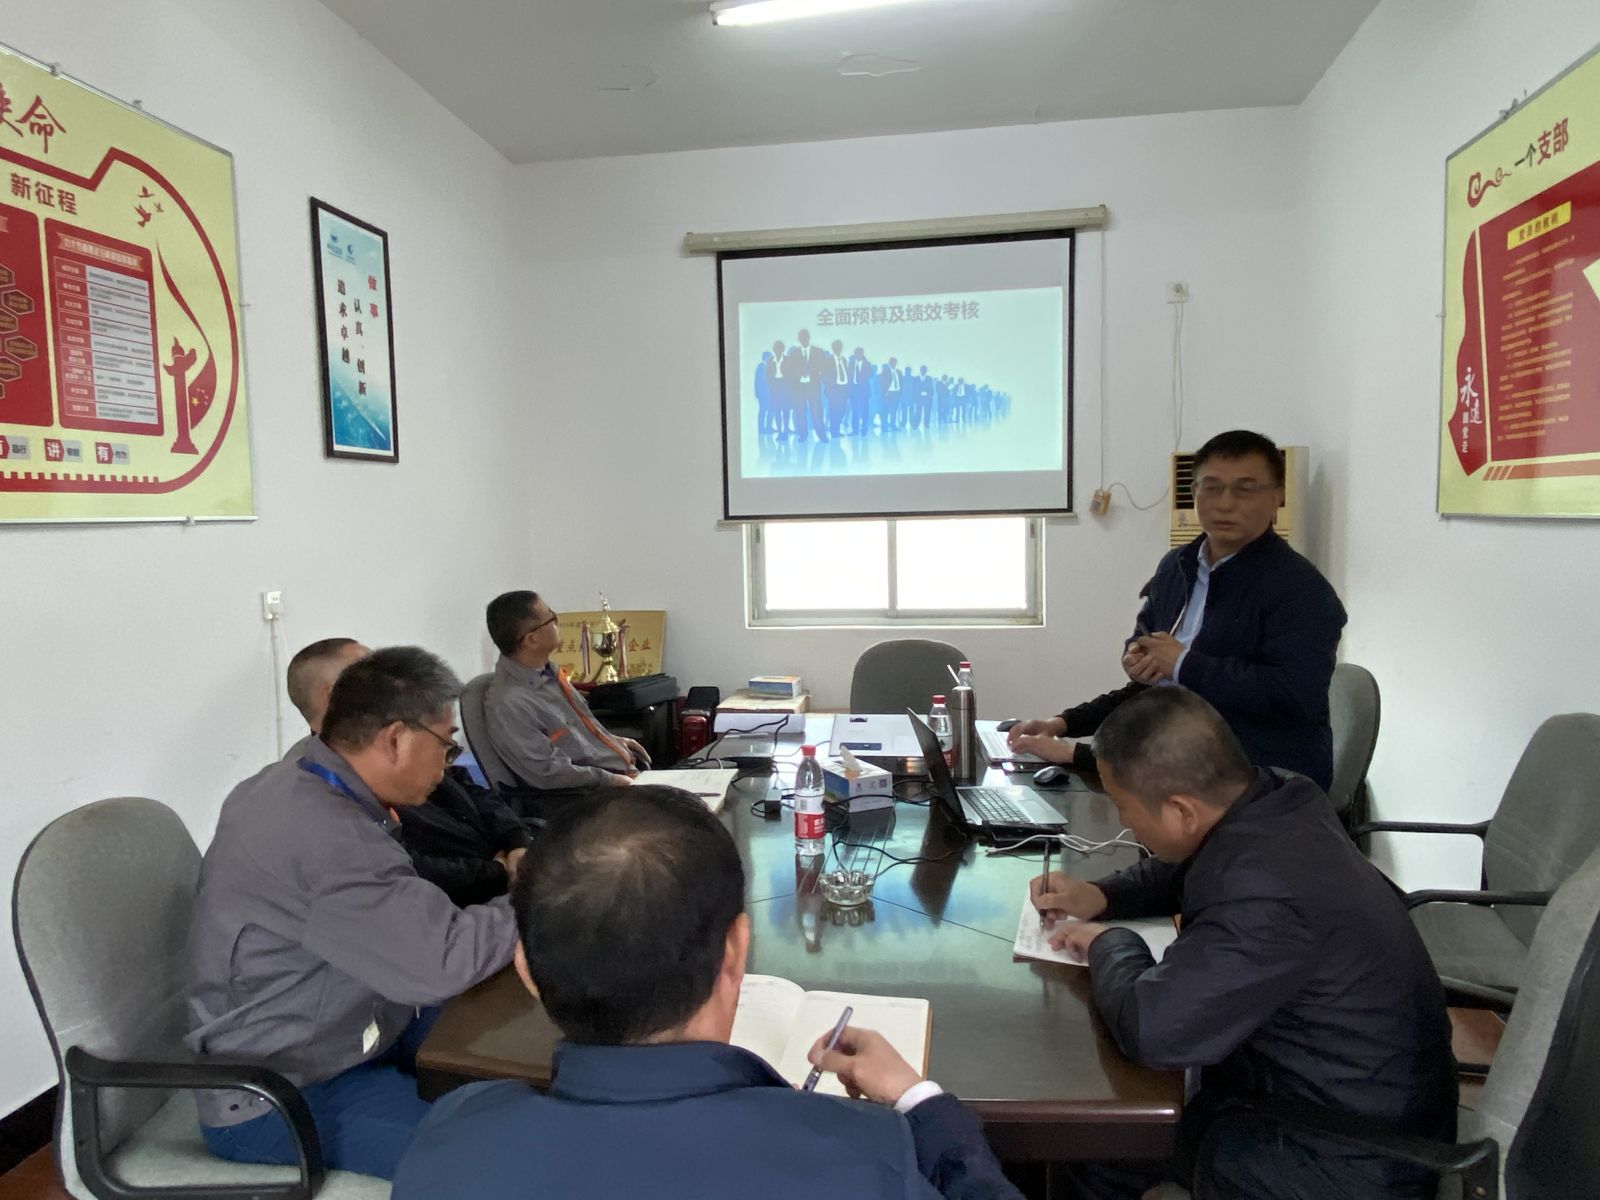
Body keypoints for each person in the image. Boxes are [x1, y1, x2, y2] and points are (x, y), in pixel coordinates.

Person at [393, 786, 1024, 1200]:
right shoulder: (867, 1156)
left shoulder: (449, 1138)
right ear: (736, 950)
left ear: (527, 969)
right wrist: (920, 1102)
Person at [1030, 688, 1456, 1200]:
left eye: (1124, 807)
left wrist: (1110, 943)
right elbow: (1192, 863)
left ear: (1182, 810)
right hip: (1357, 1100)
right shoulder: (1280, 798)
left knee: (1098, 1145)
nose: (1124, 822)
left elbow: (1155, 1029)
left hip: (1346, 1158)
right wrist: (1103, 894)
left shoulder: (1266, 899)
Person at [186, 646, 519, 1179]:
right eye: (446, 745)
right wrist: (534, 900)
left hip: (354, 1021)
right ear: (395, 739)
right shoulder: (327, 835)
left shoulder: (291, 780)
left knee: (512, 1051)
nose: (448, 764)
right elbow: (438, 962)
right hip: (284, 1088)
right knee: (489, 1165)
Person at [1009, 430, 1346, 789]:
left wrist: (1081, 755)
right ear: (1194, 492)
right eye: (1212, 488)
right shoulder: (1178, 567)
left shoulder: (1301, 589)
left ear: (1277, 497)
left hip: (1261, 786)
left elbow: (1293, 696)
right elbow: (1162, 687)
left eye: (1245, 489)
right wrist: (1064, 724)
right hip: (1179, 769)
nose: (1225, 503)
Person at [286, 637, 531, 907]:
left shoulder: (410, 741)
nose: (393, 684)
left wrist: (516, 840)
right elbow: (407, 869)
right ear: (333, 694)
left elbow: (471, 788)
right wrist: (496, 872)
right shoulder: (322, 779)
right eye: (371, 676)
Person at [483, 590, 648, 800]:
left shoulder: (547, 673)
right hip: (589, 797)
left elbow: (575, 735)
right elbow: (547, 771)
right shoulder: (509, 703)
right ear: (532, 640)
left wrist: (612, 742)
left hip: (618, 778)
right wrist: (611, 780)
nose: (557, 621)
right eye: (550, 617)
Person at [783, 328, 825, 442]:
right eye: (801, 337)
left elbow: (823, 367)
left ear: (809, 337)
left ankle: (821, 434)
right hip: (799, 388)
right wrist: (798, 375)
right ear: (798, 339)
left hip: (813, 387)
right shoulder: (794, 354)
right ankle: (803, 435)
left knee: (817, 411)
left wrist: (816, 377)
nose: (803, 339)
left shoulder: (818, 352)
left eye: (805, 337)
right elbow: (790, 371)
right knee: (800, 412)